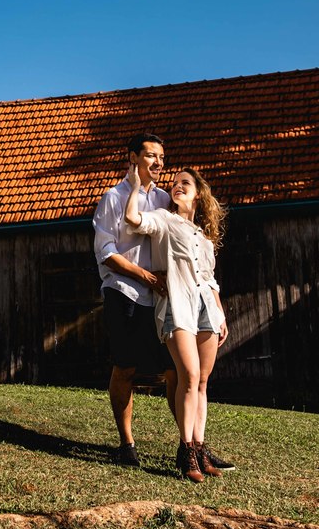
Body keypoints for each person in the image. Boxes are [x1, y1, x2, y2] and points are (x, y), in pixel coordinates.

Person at [124, 164, 231, 482]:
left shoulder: (203, 236)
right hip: (176, 305)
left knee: (202, 383)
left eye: (185, 183)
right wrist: (133, 186)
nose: (177, 186)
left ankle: (199, 449)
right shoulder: (163, 220)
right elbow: (133, 219)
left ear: (198, 194)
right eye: (174, 183)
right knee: (189, 374)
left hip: (206, 309)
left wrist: (220, 313)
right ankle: (186, 451)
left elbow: (210, 280)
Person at [92, 134, 177, 467]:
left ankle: (191, 443)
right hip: (124, 293)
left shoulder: (167, 199)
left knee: (175, 370)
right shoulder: (113, 198)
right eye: (151, 156)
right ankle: (126, 445)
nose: (158, 162)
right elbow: (106, 252)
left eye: (162, 157)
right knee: (125, 367)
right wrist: (146, 278)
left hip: (162, 298)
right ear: (132, 158)